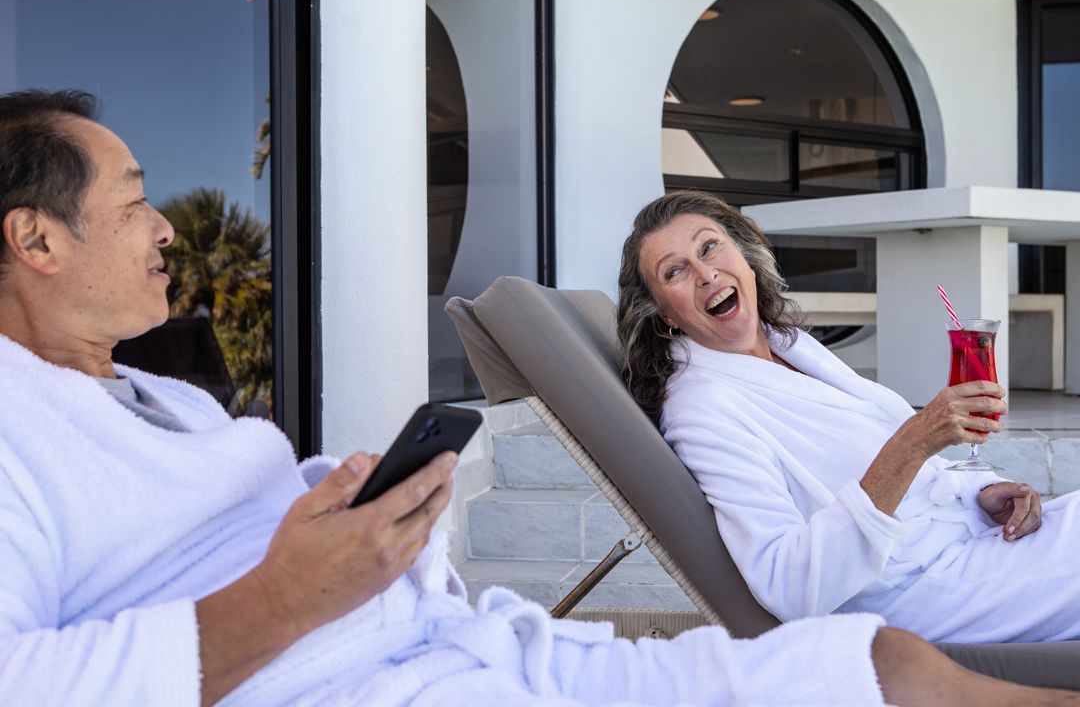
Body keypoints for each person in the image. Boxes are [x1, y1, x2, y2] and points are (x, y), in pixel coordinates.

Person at [0, 90, 1074, 707]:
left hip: (472, 647)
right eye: (138, 203)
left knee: (871, 668)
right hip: (375, 685)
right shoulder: (15, 431)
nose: (169, 229)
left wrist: (365, 520)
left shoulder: (166, 403)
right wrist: (297, 593)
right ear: (36, 239)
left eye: (713, 248)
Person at [617, 189, 1080, 644]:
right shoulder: (702, 407)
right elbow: (789, 584)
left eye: (710, 246)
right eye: (675, 271)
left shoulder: (789, 347)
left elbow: (884, 464)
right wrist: (915, 441)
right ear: (664, 314)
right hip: (918, 592)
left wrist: (977, 492)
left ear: (743, 254)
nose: (705, 273)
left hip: (965, 550)